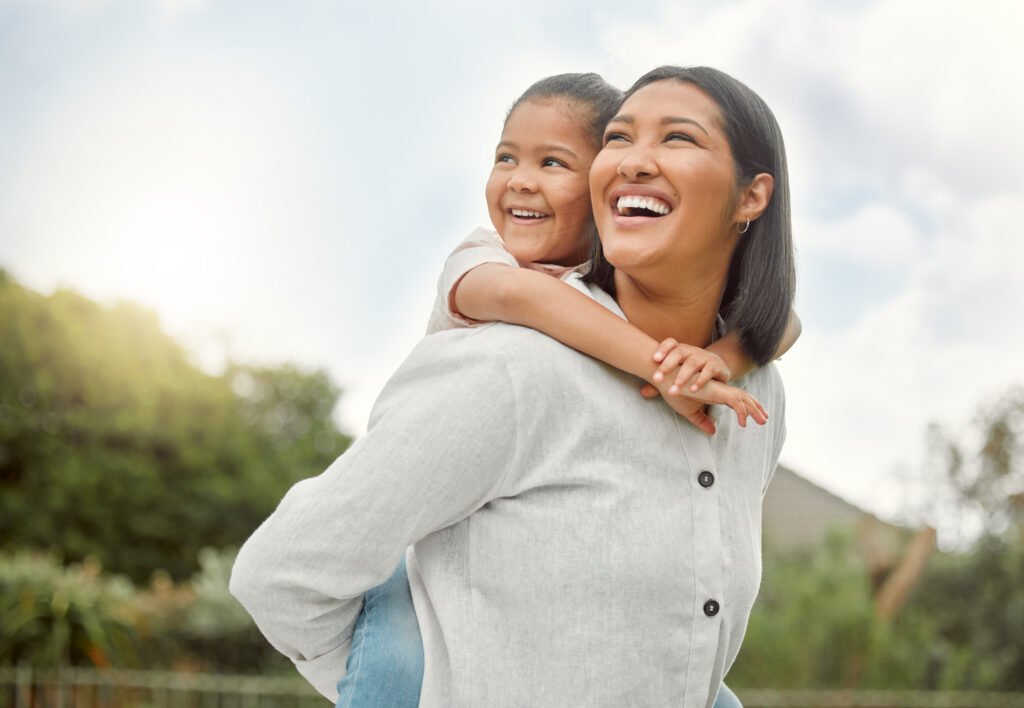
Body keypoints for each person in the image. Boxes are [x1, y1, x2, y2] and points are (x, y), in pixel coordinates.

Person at [231, 65, 794, 708]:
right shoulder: (513, 362)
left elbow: (779, 322)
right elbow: (283, 574)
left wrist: (721, 358)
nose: (636, 161)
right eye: (618, 138)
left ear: (752, 197)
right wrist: (405, 690)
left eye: (678, 139)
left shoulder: (760, 396)